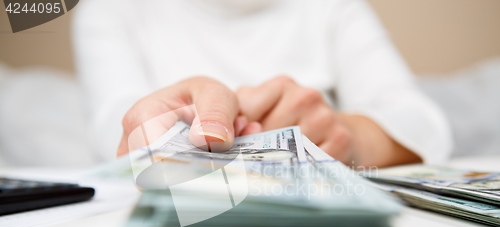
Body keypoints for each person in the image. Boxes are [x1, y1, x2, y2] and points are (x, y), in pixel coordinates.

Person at [73, 0, 452, 167]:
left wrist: (345, 136)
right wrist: (151, 134)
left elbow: (427, 124)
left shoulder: (332, 6)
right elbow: (113, 124)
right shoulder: (111, 9)